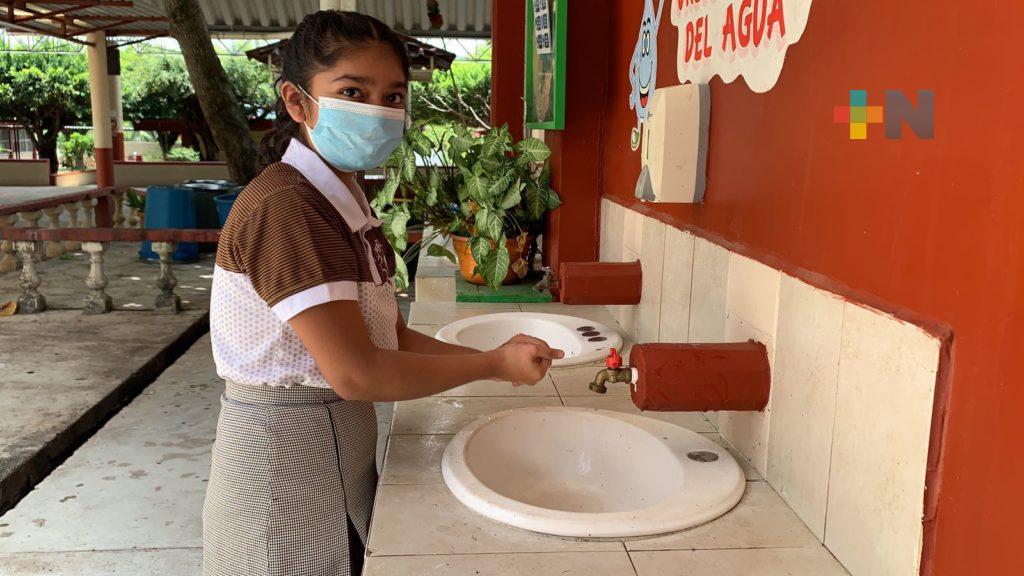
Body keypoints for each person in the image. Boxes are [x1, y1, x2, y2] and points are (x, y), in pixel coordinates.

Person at [203, 10, 563, 576]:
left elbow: (391, 337)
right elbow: (357, 373)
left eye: (393, 96)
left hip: (333, 444)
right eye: (353, 92)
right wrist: (492, 365)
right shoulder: (288, 208)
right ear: (297, 102)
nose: (377, 111)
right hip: (284, 467)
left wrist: (495, 361)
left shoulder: (340, 196)